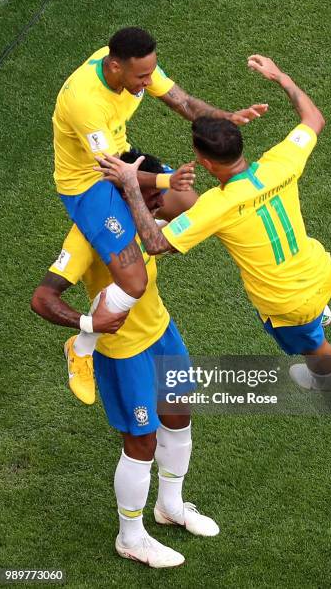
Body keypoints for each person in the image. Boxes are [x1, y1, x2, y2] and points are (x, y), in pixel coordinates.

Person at [94, 55, 331, 391]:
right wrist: (281, 77)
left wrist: (131, 184)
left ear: (204, 162)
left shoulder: (216, 206)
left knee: (312, 345)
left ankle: (330, 379)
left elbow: (156, 244)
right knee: (310, 315)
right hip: (319, 268)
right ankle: (317, 317)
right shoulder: (280, 162)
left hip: (288, 300)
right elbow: (314, 118)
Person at [53, 26, 268, 400]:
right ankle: (82, 347)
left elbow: (182, 103)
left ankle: (135, 232)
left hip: (123, 159)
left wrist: (225, 119)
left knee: (194, 207)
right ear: (115, 66)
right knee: (135, 282)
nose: (148, 82)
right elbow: (115, 174)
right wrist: (166, 182)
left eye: (151, 73)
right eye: (142, 77)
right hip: (89, 184)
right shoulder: (84, 102)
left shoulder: (133, 65)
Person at [31, 156, 219, 569]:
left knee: (178, 413)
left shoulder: (144, 202)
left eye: (155, 198)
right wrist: (87, 322)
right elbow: (42, 298)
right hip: (122, 351)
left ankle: (170, 506)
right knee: (141, 442)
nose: (155, 205)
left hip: (161, 332)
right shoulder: (87, 234)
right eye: (151, 197)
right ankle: (130, 537)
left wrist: (150, 187)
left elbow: (189, 202)